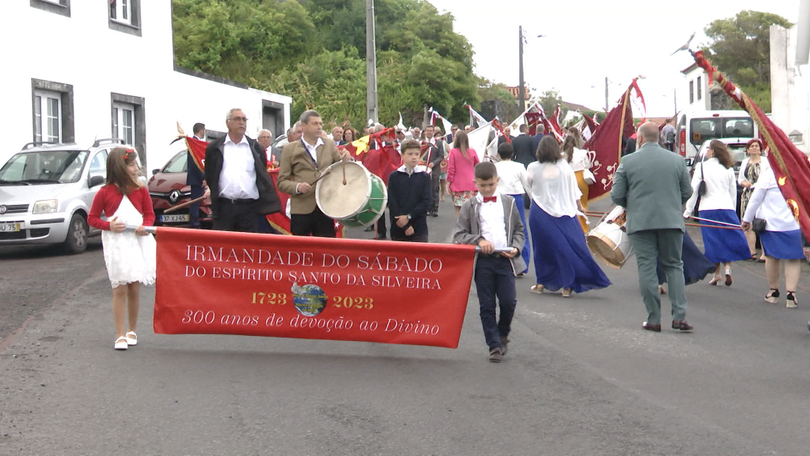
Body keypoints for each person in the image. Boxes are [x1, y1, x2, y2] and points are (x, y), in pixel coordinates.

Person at [611, 122, 693, 332]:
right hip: (671, 220)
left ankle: (654, 318)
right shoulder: (676, 160)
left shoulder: (627, 161)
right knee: (674, 265)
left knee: (646, 266)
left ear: (639, 138)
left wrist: (633, 204)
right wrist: (673, 204)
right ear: (659, 137)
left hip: (641, 221)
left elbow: (617, 195)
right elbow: (687, 191)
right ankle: (679, 316)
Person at [453, 161, 526, 363]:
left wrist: (516, 248)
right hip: (483, 262)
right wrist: (479, 240)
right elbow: (460, 234)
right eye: (482, 185)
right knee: (487, 305)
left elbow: (519, 230)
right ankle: (493, 345)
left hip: (505, 260)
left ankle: (502, 334)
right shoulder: (469, 205)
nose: (487, 189)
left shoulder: (508, 203)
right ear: (474, 182)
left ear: (497, 181)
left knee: (508, 302)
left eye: (491, 185)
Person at [87, 147, 156, 350]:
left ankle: (132, 330)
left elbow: (149, 214)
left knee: (134, 286)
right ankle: (120, 334)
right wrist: (108, 225)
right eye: (132, 164)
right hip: (116, 243)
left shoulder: (141, 189)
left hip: (136, 241)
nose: (137, 168)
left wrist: (146, 226)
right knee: (120, 288)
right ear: (120, 167)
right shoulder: (104, 192)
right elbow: (92, 218)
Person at [528, 136, 611, 297]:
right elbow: (573, 190)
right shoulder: (564, 167)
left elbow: (529, 184)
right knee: (564, 247)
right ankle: (567, 285)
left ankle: (542, 282)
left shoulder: (532, 167)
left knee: (541, 248)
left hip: (539, 212)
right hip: (564, 212)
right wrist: (580, 207)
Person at [683, 140, 750, 286]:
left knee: (713, 241)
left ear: (712, 151)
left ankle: (717, 273)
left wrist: (688, 210)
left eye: (707, 149)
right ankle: (726, 269)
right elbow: (733, 192)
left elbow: (693, 191)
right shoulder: (728, 168)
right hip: (726, 207)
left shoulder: (702, 167)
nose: (706, 151)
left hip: (708, 208)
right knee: (726, 238)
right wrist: (732, 209)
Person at [204, 109, 281, 232]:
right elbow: (210, 175)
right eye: (237, 119)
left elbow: (261, 173)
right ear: (227, 123)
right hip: (224, 208)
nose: (241, 122)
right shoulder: (215, 148)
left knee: (248, 247)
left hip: (249, 209)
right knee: (225, 246)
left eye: (244, 119)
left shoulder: (255, 147)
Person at [277, 110, 351, 237]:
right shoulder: (290, 149)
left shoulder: (329, 144)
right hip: (301, 208)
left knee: (326, 249)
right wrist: (297, 187)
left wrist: (347, 158)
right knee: (301, 250)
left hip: (325, 206)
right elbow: (281, 182)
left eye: (321, 124)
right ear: (303, 126)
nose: (319, 127)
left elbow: (341, 167)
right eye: (315, 123)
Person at [742, 165, 804, 308]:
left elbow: (755, 200)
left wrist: (747, 219)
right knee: (793, 258)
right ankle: (791, 294)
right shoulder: (797, 172)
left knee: (771, 257)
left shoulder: (768, 175)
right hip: (794, 224)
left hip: (771, 224)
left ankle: (773, 291)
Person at [494, 142, 531, 277]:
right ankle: (522, 264)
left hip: (500, 198)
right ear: (512, 154)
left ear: (499, 154)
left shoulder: (495, 167)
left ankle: (501, 261)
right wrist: (533, 200)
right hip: (516, 198)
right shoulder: (519, 166)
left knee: (501, 229)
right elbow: (527, 185)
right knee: (520, 229)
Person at [387, 140, 431, 242]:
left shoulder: (425, 176)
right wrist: (405, 225)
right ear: (402, 155)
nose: (414, 157)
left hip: (419, 227)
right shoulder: (394, 176)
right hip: (398, 227)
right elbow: (392, 201)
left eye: (416, 154)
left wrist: (409, 217)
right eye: (410, 154)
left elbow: (426, 202)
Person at [738, 138, 766, 261]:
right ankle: (751, 252)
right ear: (748, 150)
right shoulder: (745, 162)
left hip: (762, 195)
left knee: (762, 223)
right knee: (747, 222)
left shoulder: (765, 162)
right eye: (752, 146)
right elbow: (740, 179)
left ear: (760, 150)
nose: (754, 148)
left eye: (757, 146)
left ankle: (765, 253)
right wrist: (745, 183)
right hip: (747, 195)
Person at [561, 135, 593, 233]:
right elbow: (587, 165)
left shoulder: (562, 155)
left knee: (571, 205)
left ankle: (574, 229)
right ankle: (584, 228)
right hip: (581, 178)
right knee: (583, 204)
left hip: (569, 179)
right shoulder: (582, 153)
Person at [446, 130, 480, 217]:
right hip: (471, 183)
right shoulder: (472, 151)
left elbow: (451, 169)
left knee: (458, 208)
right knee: (471, 208)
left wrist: (448, 183)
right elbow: (478, 166)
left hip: (457, 184)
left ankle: (461, 227)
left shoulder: (453, 152)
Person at [186, 122, 208, 228]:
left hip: (195, 178)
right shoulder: (194, 143)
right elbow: (197, 162)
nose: (205, 132)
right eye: (204, 130)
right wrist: (203, 178)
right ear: (201, 130)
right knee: (195, 201)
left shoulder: (195, 143)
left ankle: (196, 220)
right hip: (196, 179)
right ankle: (194, 223)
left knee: (197, 201)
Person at [427, 130, 445, 217]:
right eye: (427, 130)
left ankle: (435, 208)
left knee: (434, 188)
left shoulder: (438, 143)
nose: (429, 132)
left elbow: (441, 156)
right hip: (424, 169)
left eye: (430, 130)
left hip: (434, 169)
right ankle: (428, 208)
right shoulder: (422, 142)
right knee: (426, 189)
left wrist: (434, 163)